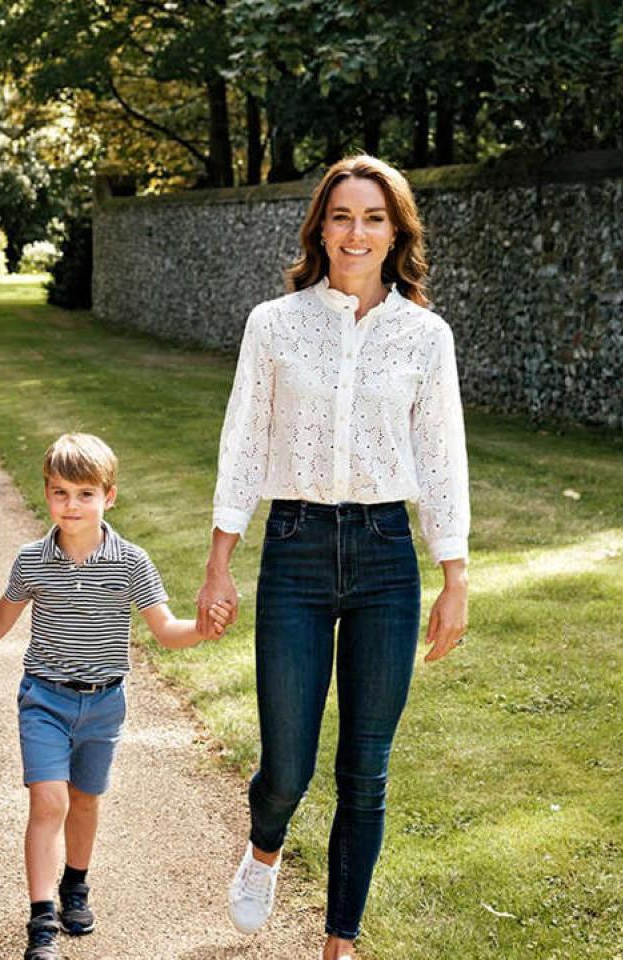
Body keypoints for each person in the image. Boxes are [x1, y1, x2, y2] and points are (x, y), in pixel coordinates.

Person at [199, 155, 470, 960]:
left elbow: (442, 457)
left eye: (374, 218)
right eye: (343, 216)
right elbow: (243, 444)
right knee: (287, 766)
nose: (357, 233)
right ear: (320, 226)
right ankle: (264, 846)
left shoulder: (425, 337)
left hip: (388, 556)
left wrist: (455, 575)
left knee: (366, 768)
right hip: (296, 549)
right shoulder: (273, 324)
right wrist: (220, 560)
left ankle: (340, 942)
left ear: (397, 232)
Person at [0, 433, 226, 960]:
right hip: (44, 700)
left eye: (85, 494)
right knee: (48, 800)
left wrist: (202, 630)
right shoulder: (32, 560)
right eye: (60, 493)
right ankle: (41, 921)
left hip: (103, 704)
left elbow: (164, 629)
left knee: (85, 801)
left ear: (109, 496)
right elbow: (2, 615)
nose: (72, 506)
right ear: (46, 494)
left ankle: (76, 883)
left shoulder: (130, 562)